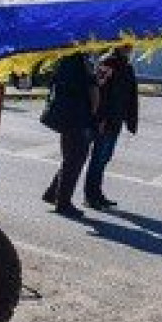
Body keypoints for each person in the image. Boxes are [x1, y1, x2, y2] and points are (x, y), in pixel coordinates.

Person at [40, 53, 97, 218]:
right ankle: (63, 203)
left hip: (64, 116)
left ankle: (53, 194)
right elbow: (93, 90)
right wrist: (93, 113)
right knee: (76, 159)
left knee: (69, 158)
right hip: (78, 117)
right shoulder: (83, 62)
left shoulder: (64, 59)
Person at [84, 45, 138, 209]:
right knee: (98, 158)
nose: (130, 48)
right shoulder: (107, 62)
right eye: (126, 45)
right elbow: (99, 90)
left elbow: (131, 95)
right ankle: (90, 196)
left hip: (116, 120)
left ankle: (97, 193)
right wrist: (100, 118)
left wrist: (131, 120)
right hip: (105, 120)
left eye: (131, 45)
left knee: (104, 158)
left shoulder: (127, 66)